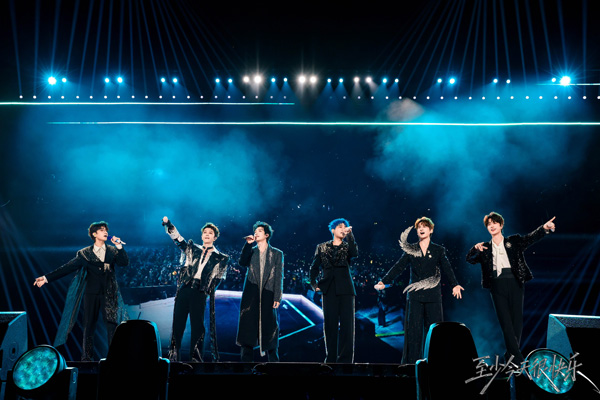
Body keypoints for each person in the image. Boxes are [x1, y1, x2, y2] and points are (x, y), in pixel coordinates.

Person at [466, 212, 556, 364]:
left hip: (515, 281)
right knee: (505, 322)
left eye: (495, 223)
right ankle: (519, 361)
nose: (492, 226)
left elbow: (530, 238)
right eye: (489, 224)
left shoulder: (513, 241)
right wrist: (475, 249)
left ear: (501, 225)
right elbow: (470, 259)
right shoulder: (485, 247)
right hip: (496, 284)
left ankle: (510, 356)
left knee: (516, 322)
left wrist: (544, 228)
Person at [33, 221, 129, 361]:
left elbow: (124, 262)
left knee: (111, 325)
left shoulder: (112, 251)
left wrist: (119, 246)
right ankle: (86, 359)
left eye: (106, 230)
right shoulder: (84, 254)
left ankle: (114, 358)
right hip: (91, 294)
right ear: (94, 234)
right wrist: (46, 278)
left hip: (109, 294)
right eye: (102, 230)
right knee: (89, 325)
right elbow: (67, 267)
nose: (106, 232)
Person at [374, 217, 464, 364]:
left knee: (434, 331)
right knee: (413, 332)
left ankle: (435, 364)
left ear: (431, 230)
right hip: (415, 296)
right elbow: (399, 266)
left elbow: (447, 267)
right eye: (419, 227)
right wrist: (384, 281)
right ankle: (411, 365)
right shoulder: (411, 250)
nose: (421, 229)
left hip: (433, 296)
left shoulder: (438, 250)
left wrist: (454, 284)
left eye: (424, 226)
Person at [162, 216, 229, 362]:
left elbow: (218, 278)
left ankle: (195, 360)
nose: (207, 234)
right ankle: (174, 357)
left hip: (200, 292)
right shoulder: (192, 248)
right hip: (185, 289)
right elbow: (178, 240)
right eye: (205, 232)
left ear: (215, 237)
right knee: (177, 324)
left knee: (198, 327)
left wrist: (206, 292)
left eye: (210, 233)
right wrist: (168, 224)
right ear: (202, 235)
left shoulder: (221, 258)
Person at [309, 218, 358, 363]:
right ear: (332, 230)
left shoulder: (347, 246)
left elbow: (354, 253)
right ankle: (330, 360)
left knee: (347, 326)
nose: (343, 229)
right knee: (330, 326)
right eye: (340, 227)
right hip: (328, 289)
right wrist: (314, 284)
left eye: (345, 227)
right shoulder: (321, 247)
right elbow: (314, 268)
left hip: (346, 289)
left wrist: (350, 235)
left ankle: (346, 361)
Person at [236, 221, 284, 362]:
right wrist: (248, 245)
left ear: (267, 235)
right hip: (251, 292)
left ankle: (273, 364)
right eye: (255, 231)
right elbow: (242, 262)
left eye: (260, 231)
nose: (256, 233)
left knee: (270, 327)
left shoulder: (277, 253)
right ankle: (246, 365)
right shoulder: (251, 251)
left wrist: (277, 296)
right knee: (247, 326)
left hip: (268, 293)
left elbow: (279, 276)